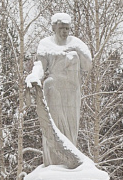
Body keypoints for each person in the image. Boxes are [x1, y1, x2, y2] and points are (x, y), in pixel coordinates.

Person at [25, 13, 93, 166]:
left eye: (67, 28)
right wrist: (34, 76)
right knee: (55, 126)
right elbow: (40, 66)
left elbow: (88, 65)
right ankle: (54, 162)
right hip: (54, 90)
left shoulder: (76, 43)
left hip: (72, 93)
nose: (64, 31)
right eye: (61, 28)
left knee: (71, 130)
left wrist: (76, 48)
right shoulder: (45, 44)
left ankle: (70, 161)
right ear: (54, 27)